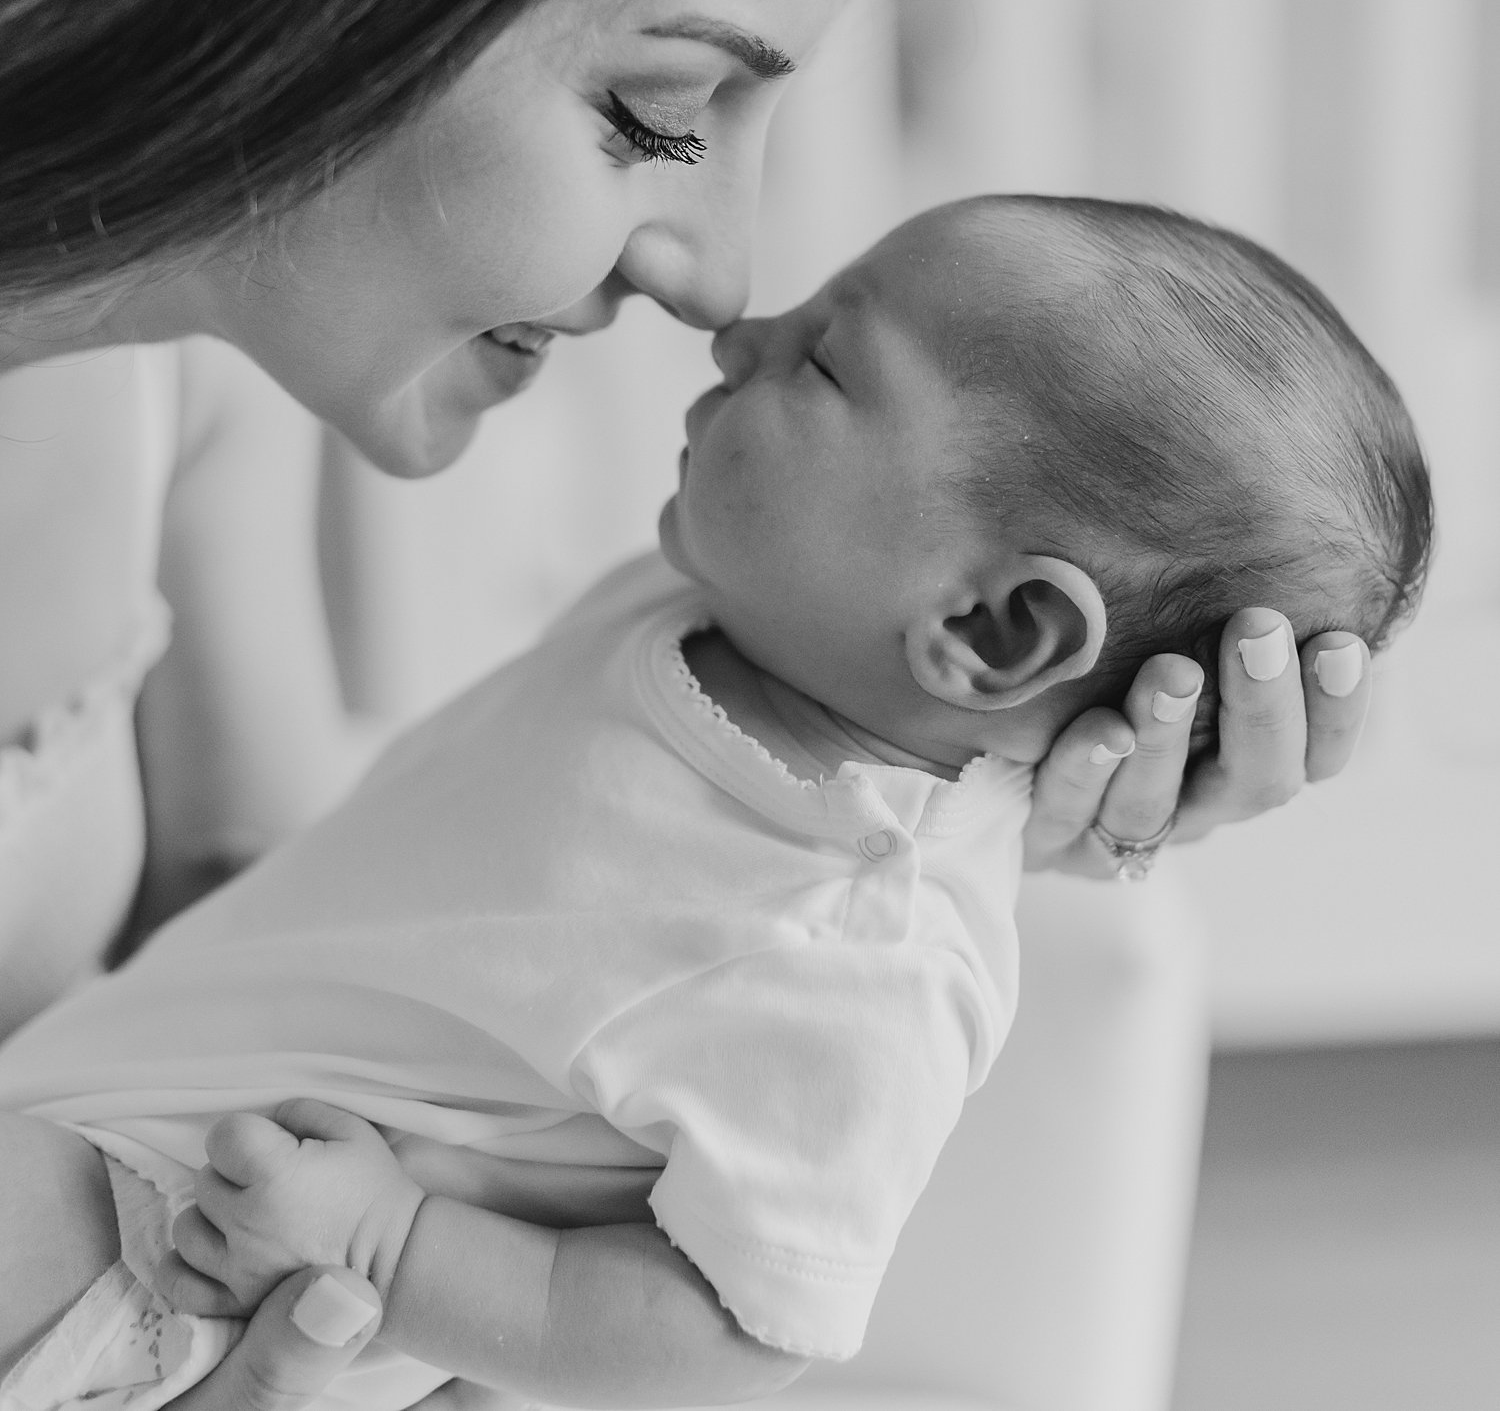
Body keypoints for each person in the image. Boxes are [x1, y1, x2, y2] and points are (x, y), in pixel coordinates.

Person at [0, 0, 1371, 1402]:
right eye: (657, 113)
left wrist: (919, 782)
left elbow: (261, 929)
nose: (719, 279)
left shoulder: (175, 386)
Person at [0, 194, 1428, 1407]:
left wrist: (389, 1249)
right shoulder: (706, 621)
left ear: (990, 631)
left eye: (822, 358)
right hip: (111, 1098)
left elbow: (737, 1325)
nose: (736, 328)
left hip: (190, 1242)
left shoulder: (857, 949)